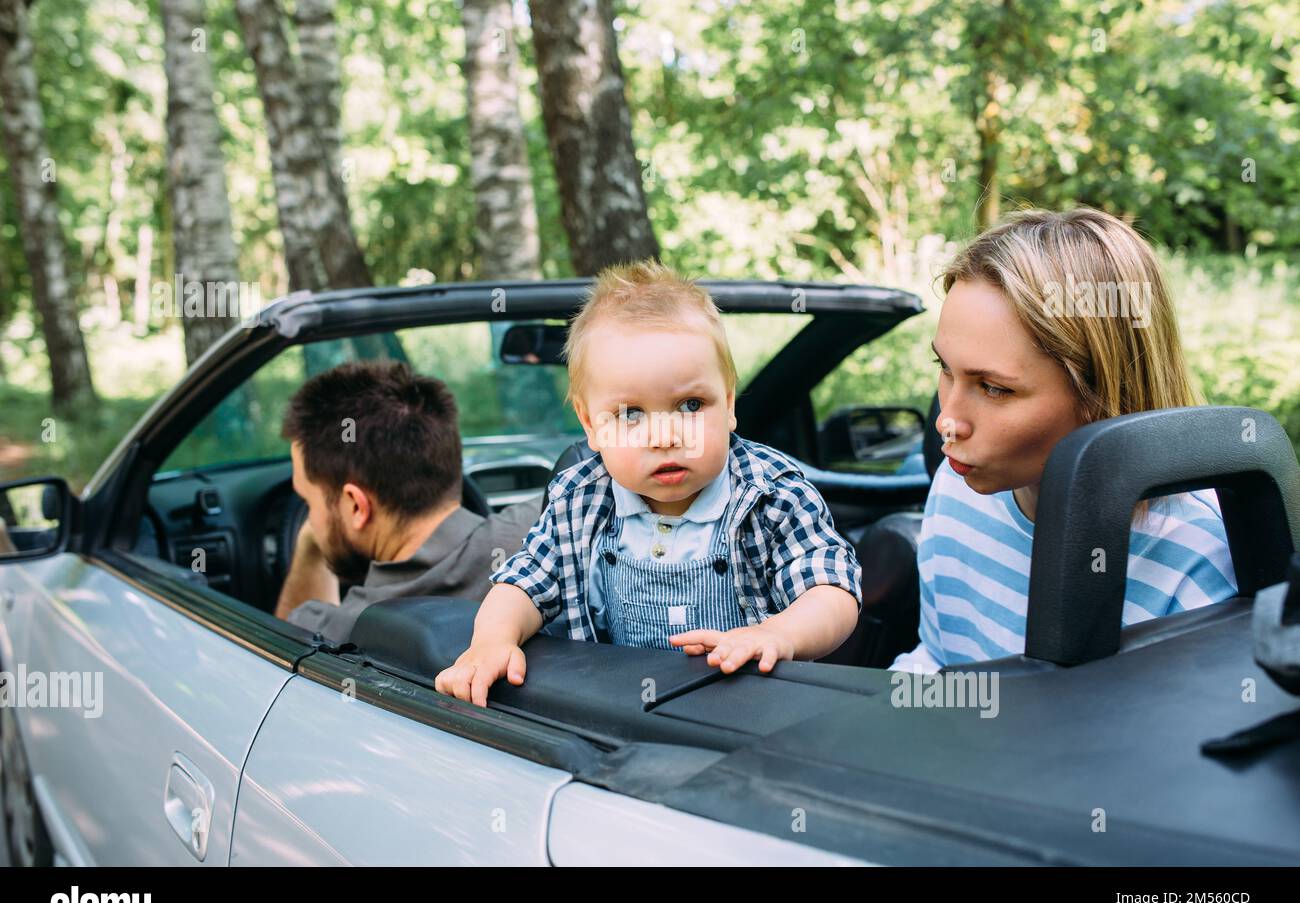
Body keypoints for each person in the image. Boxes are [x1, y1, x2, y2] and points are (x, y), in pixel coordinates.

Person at [435, 261, 862, 706]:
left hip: (751, 715)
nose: (665, 437)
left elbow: (831, 590)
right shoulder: (579, 501)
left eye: (690, 404)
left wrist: (779, 633)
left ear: (730, 403)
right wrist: (491, 640)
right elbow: (524, 584)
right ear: (590, 423)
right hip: (622, 716)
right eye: (631, 414)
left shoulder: (772, 494)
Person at [891, 207, 1238, 672]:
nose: (947, 424)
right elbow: (938, 660)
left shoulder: (1198, 552)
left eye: (994, 388)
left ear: (1101, 394)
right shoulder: (958, 488)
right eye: (945, 370)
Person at [274, 360, 542, 645]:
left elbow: (278, 664)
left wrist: (311, 549)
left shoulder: (334, 631)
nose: (311, 520)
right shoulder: (553, 528)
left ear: (356, 507)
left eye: (308, 501)